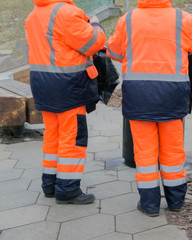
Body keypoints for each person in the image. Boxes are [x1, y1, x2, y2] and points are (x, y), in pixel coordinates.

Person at [107, 0, 192, 216]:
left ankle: (149, 204)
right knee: (173, 151)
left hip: (138, 96)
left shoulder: (128, 19)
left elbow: (114, 51)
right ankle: (176, 201)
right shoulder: (181, 18)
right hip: (172, 96)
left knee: (145, 154)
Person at [25, 0, 107, 204]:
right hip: (68, 86)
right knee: (72, 138)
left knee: (52, 136)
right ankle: (68, 189)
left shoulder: (34, 14)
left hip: (43, 84)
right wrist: (96, 25)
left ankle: (50, 185)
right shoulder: (67, 12)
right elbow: (93, 43)